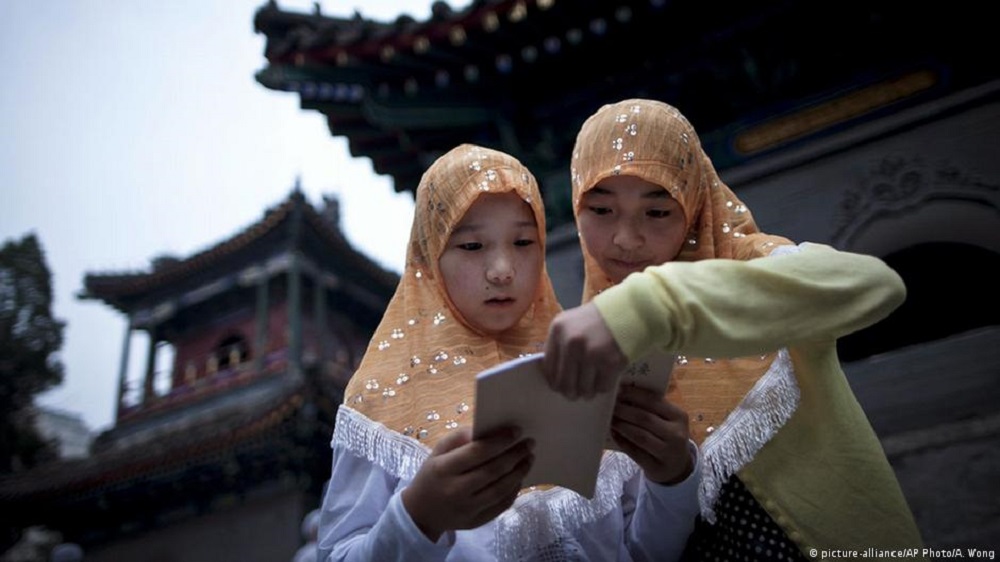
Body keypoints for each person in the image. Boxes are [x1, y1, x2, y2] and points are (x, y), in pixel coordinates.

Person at [542, 99, 927, 560]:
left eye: (657, 212)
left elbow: (877, 284)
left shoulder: (756, 268)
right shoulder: (595, 332)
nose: (626, 238)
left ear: (694, 204)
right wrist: (670, 476)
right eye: (600, 211)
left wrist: (656, 302)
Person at [316, 143, 701, 561]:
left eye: (522, 241)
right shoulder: (381, 401)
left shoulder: (586, 368)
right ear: (429, 259)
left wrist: (673, 477)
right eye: (472, 246)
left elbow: (644, 551)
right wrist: (418, 515)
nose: (502, 269)